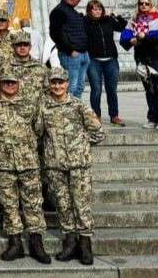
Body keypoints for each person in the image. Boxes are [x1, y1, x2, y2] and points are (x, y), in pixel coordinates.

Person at [0, 72, 50, 264]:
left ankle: (36, 242)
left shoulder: (30, 103)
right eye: (6, 82)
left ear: (18, 83)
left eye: (13, 82)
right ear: (0, 83)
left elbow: (40, 129)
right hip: (3, 165)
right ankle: (15, 241)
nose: (10, 85)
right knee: (9, 205)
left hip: (29, 163)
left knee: (33, 203)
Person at [40, 67, 105, 265]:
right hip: (55, 165)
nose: (57, 86)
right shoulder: (44, 108)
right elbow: (39, 133)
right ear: (49, 85)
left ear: (67, 83)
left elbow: (98, 133)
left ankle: (85, 243)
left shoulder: (79, 106)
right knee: (63, 204)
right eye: (54, 82)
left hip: (79, 165)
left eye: (61, 82)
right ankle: (69, 242)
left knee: (81, 204)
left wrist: (80, 145)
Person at [120, 0, 158, 129]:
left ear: (152, 5)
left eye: (147, 3)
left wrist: (145, 37)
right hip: (142, 58)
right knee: (149, 89)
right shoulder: (134, 20)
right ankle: (152, 118)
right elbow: (125, 37)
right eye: (141, 3)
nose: (144, 6)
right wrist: (131, 40)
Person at [85, 0, 128, 125]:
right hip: (94, 60)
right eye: (94, 9)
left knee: (111, 89)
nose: (97, 11)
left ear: (102, 10)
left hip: (111, 60)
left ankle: (114, 115)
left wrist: (115, 15)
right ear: (89, 11)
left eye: (99, 9)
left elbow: (123, 26)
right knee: (96, 89)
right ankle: (96, 116)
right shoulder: (85, 22)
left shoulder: (108, 20)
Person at [49, 0, 89, 98]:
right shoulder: (59, 11)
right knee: (71, 87)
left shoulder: (73, 12)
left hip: (83, 54)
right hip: (71, 56)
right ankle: (68, 113)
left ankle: (76, 111)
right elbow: (55, 34)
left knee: (80, 87)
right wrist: (70, 50)